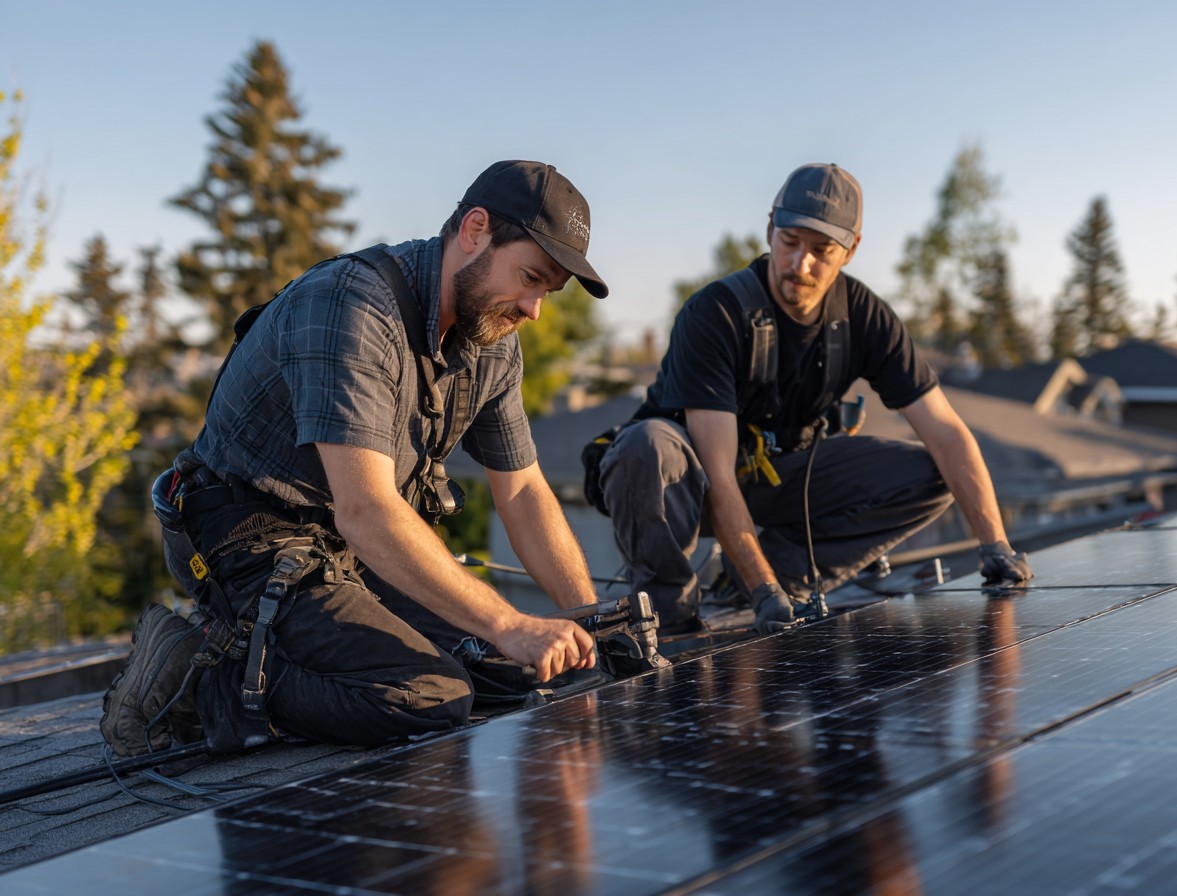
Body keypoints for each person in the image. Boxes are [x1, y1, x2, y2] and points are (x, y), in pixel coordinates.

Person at [102, 160, 610, 756]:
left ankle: (270, 655)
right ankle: (201, 675)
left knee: (509, 671)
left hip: (347, 542)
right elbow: (367, 510)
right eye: (530, 277)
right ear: (475, 230)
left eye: (546, 292)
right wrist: (511, 623)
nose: (533, 310)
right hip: (249, 536)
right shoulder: (351, 307)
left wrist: (592, 624)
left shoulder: (489, 343)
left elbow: (523, 493)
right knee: (429, 696)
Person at [594, 163, 1031, 637]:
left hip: (781, 476)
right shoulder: (716, 313)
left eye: (821, 251)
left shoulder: (863, 317)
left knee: (935, 475)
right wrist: (766, 593)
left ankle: (776, 579)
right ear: (769, 229)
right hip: (685, 483)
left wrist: (996, 547)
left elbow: (946, 432)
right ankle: (670, 617)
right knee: (647, 445)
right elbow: (719, 475)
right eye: (789, 243)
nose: (801, 264)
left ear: (851, 250)